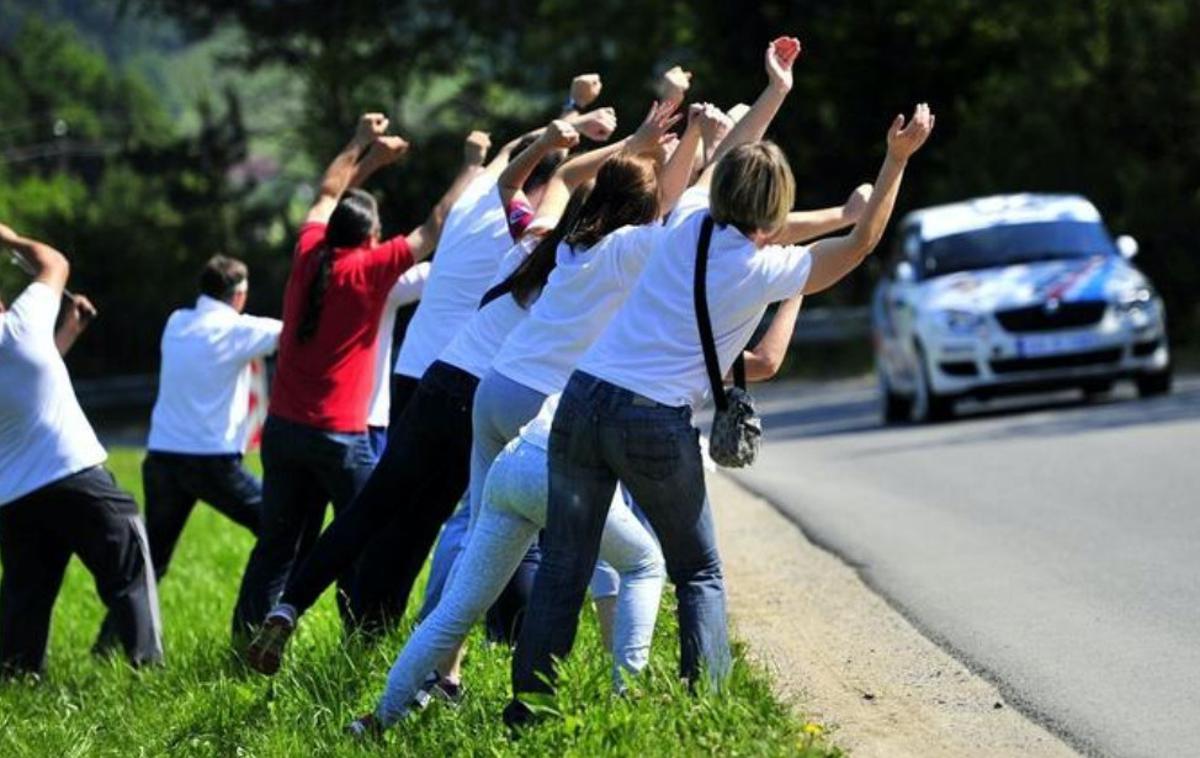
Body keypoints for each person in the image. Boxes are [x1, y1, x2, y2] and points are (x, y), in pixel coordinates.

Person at [505, 36, 936, 727]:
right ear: (776, 213)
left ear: (725, 187)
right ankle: (706, 717)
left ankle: (528, 717)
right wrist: (895, 161)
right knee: (697, 570)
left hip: (582, 399)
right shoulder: (766, 270)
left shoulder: (686, 225)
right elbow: (858, 246)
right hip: (652, 420)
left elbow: (736, 148)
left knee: (563, 565)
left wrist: (776, 92)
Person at [244, 114, 658, 674]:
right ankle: (456, 666)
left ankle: (290, 605)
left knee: (373, 507)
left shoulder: (532, 242)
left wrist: (564, 141)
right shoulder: (594, 270)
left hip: (440, 380)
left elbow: (526, 184)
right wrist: (643, 149)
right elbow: (564, 193)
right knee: (493, 534)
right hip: (494, 395)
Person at [348, 287, 812, 737]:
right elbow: (764, 362)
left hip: (516, 458)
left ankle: (378, 719)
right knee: (645, 563)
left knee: (457, 610)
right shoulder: (681, 346)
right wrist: (796, 288)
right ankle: (627, 698)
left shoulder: (629, 326)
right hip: (564, 467)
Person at [230, 114, 485, 640]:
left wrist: (362, 147)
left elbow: (328, 189)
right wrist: (472, 165)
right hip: (339, 436)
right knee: (363, 533)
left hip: (281, 431)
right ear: (371, 237)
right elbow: (437, 223)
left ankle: (250, 638)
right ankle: (363, 635)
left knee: (277, 544)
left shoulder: (308, 256)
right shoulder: (371, 273)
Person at [94, 255, 282, 651]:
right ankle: (250, 630)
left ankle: (110, 645)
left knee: (152, 560)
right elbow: (294, 333)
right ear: (240, 294)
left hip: (162, 456)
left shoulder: (176, 323)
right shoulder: (239, 330)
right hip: (212, 461)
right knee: (279, 530)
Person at [0, 222, 162, 676]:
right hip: (74, 475)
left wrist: (67, 334)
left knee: (25, 597)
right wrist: (8, 240)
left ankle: (18, 679)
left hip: (13, 497)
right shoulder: (20, 327)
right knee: (129, 563)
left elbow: (26, 382)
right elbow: (54, 262)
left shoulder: (24, 338)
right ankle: (146, 668)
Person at [366, 261, 431, 458]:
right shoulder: (377, 281)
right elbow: (435, 273)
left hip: (307, 422)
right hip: (367, 423)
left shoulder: (310, 279)